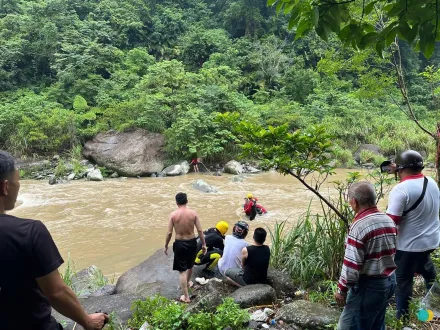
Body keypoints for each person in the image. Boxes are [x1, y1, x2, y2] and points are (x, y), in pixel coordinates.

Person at [0, 150, 108, 330]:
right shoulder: (29, 231)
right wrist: (87, 321)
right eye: (17, 181)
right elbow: (56, 293)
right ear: (5, 187)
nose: (18, 186)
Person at [386, 150, 440, 319]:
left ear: (400, 169)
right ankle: (433, 306)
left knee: (403, 282)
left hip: (409, 246)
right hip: (431, 241)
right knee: (426, 268)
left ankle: (402, 320)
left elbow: (390, 222)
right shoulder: (432, 182)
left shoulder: (400, 190)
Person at [335, 181, 397, 330]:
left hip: (369, 286)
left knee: (348, 326)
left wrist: (341, 290)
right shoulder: (388, 220)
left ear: (354, 202)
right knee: (376, 323)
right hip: (389, 281)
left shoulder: (359, 226)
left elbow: (352, 266)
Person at [164, 192, 207, 303]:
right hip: (192, 242)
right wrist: (203, 244)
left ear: (176, 202)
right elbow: (200, 230)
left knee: (182, 270)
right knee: (190, 265)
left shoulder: (173, 215)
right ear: (186, 201)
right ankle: (187, 283)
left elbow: (169, 233)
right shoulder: (193, 213)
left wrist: (165, 245)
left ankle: (186, 297)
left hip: (180, 243)